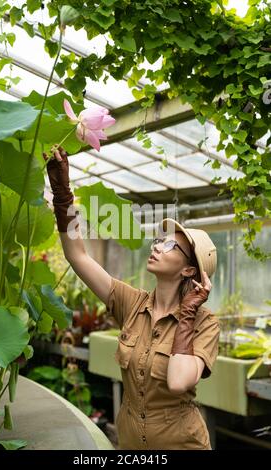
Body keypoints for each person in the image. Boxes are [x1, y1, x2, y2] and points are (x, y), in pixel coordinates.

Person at [44, 147, 220, 450]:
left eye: (170, 247)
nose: (157, 247)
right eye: (159, 241)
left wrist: (188, 312)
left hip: (181, 443)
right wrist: (62, 193)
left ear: (189, 269)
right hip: (129, 443)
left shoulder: (206, 324)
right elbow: (78, 256)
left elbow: (178, 381)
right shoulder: (133, 303)